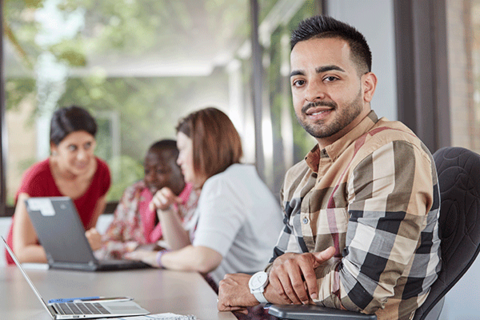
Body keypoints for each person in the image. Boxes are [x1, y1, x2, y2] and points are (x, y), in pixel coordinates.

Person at [217, 15, 441, 320]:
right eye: (300, 82)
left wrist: (257, 288)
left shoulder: (390, 153)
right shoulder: (299, 175)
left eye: (330, 77)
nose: (312, 93)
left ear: (367, 86)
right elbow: (278, 266)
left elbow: (361, 291)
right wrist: (280, 274)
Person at [126, 107, 283, 285]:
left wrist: (156, 258)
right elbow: (188, 251)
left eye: (183, 150)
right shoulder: (237, 178)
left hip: (251, 306)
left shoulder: (222, 185)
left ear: (202, 148)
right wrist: (166, 210)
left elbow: (203, 260)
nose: (179, 161)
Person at [5, 105, 111, 264]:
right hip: (28, 268)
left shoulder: (101, 173)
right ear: (54, 147)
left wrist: (90, 243)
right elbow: (22, 252)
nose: (82, 156)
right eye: (72, 148)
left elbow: (85, 235)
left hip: (68, 263)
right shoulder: (37, 179)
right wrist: (77, 249)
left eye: (88, 145)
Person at [96, 139, 199, 259]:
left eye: (160, 171)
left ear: (182, 169)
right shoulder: (134, 193)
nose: (151, 178)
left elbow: (193, 252)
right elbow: (105, 243)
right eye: (147, 171)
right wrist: (139, 249)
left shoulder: (196, 200)